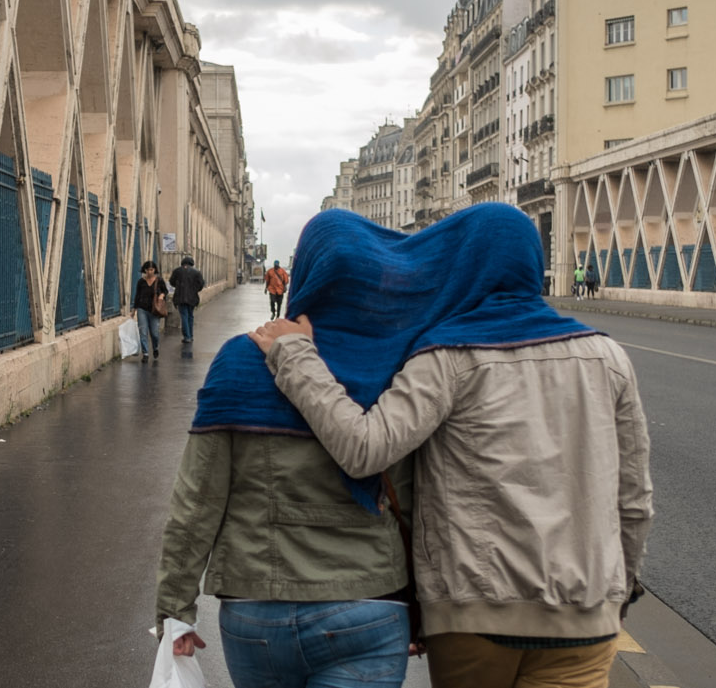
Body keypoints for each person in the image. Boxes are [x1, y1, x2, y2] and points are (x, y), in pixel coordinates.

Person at [249, 203, 653, 688]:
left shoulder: (447, 356)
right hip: (586, 614)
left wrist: (296, 357)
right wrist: (620, 591)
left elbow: (365, 449)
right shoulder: (608, 357)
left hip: (473, 612)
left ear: (463, 264)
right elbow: (633, 500)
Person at [157, 213, 432, 688]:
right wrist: (424, 605)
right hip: (369, 601)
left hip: (257, 604)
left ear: (305, 275)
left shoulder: (241, 359)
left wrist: (174, 610)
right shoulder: (399, 367)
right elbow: (419, 501)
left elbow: (197, 500)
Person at [133, 260, 167, 362]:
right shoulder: (141, 282)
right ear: (145, 270)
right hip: (142, 309)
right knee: (143, 331)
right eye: (148, 270)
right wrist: (134, 309)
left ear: (155, 270)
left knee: (154, 333)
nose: (150, 272)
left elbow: (165, 290)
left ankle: (155, 347)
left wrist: (161, 295)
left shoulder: (159, 280)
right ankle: (146, 354)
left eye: (152, 269)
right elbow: (137, 296)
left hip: (154, 310)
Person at [170, 256, 206, 344]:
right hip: (192, 297)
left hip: (180, 297)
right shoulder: (197, 272)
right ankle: (190, 335)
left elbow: (171, 282)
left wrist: (178, 287)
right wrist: (195, 289)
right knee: (190, 316)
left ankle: (187, 336)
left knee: (184, 316)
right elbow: (201, 284)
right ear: (191, 263)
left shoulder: (177, 271)